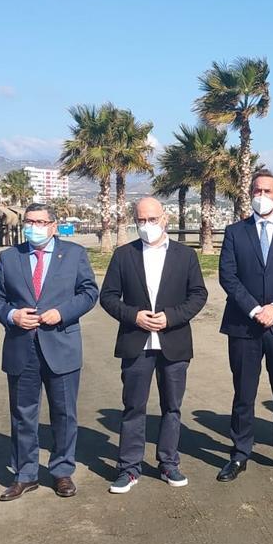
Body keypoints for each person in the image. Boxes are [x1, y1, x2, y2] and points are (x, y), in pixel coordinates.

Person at [0, 203, 98, 501]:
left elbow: (88, 293)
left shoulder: (74, 255)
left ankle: (61, 470)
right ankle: (25, 474)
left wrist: (62, 312)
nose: (34, 227)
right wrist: (12, 315)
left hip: (61, 344)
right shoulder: (10, 257)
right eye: (29, 222)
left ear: (53, 225)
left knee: (63, 412)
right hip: (22, 347)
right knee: (23, 414)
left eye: (40, 222)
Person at [100, 198, 208, 494]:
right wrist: (134, 316)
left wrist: (170, 318)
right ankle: (128, 468)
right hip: (136, 342)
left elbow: (198, 295)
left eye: (152, 219)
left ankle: (168, 462)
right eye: (140, 220)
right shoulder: (124, 255)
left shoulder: (185, 256)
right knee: (134, 406)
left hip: (173, 342)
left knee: (172, 407)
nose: (146, 226)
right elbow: (108, 297)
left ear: (165, 219)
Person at [216, 170, 273, 482]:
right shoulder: (234, 232)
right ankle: (240, 453)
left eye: (267, 190)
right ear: (250, 193)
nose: (261, 195)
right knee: (244, 392)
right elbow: (228, 276)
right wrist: (255, 309)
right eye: (257, 190)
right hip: (244, 325)